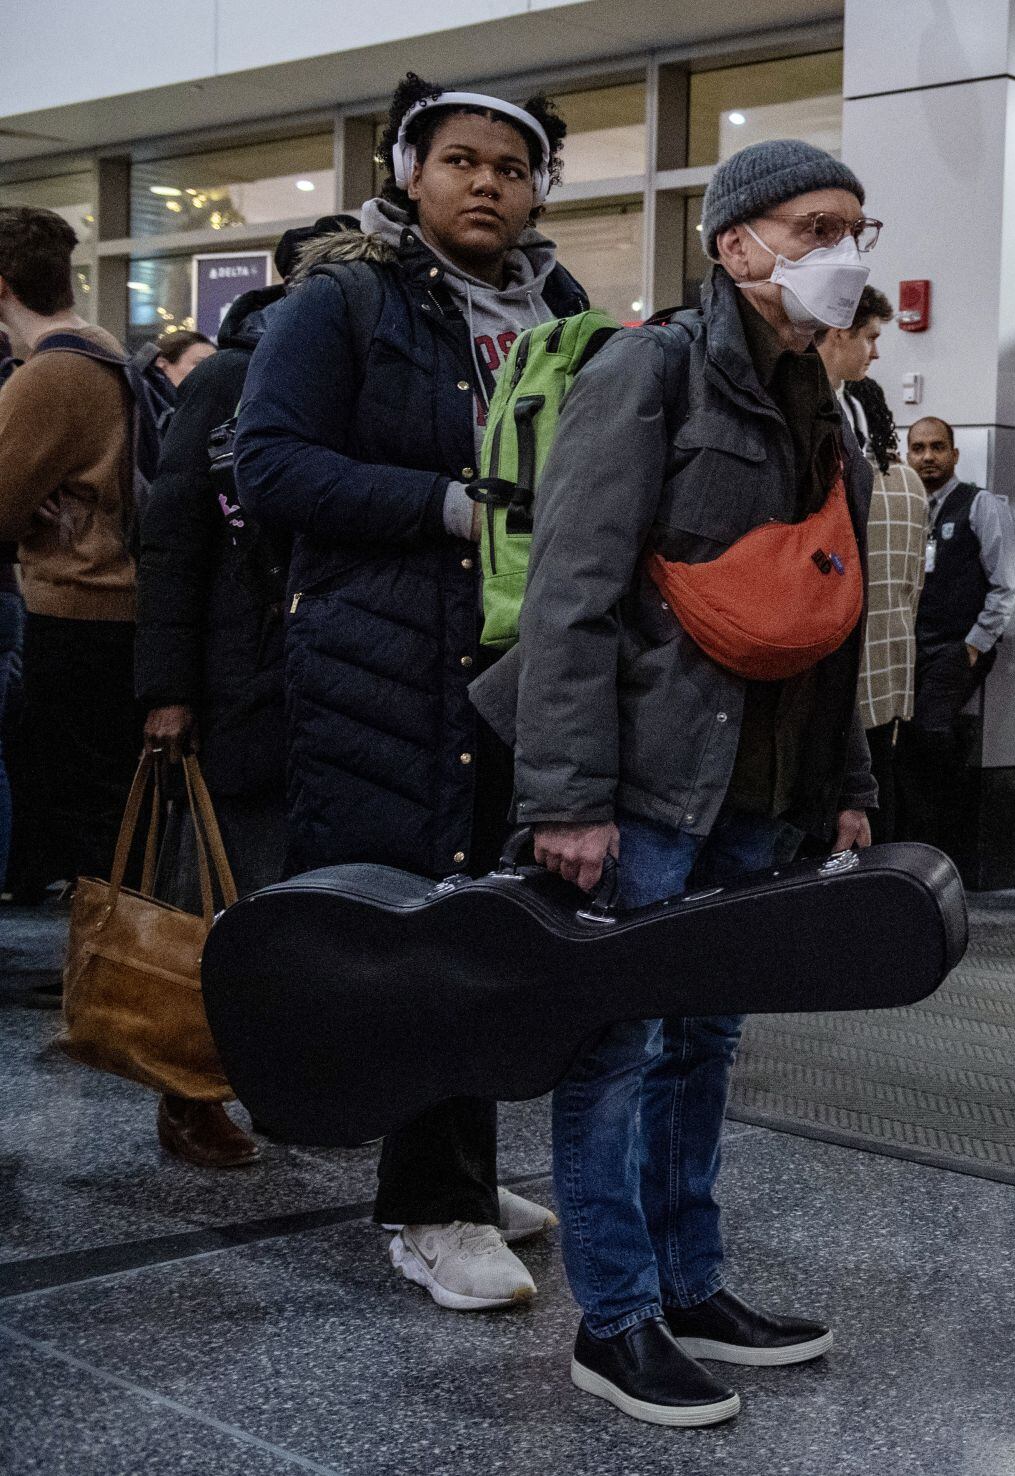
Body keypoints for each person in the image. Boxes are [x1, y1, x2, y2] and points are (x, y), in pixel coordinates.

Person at [474, 137, 879, 1427]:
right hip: (644, 782)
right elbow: (572, 597)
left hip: (758, 790)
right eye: (814, 227)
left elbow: (836, 609)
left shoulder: (826, 398)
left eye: (854, 229)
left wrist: (847, 780)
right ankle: (618, 1317)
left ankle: (692, 1284)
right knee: (617, 1049)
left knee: (704, 1043)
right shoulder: (646, 370)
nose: (841, 253)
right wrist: (565, 801)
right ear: (734, 244)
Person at [236, 75, 584, 1311]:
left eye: (513, 164)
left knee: (495, 927)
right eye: (460, 160)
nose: (487, 181)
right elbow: (267, 464)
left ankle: (460, 1173)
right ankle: (428, 1208)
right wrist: (441, 505)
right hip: (380, 665)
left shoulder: (562, 305)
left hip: (518, 668)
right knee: (417, 939)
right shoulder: (345, 300)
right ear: (409, 172)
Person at [130, 218, 357, 1168]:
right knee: (220, 901)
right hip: (239, 683)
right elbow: (174, 540)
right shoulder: (229, 376)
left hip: (337, 675)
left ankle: (291, 1087)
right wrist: (169, 690)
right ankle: (188, 1089)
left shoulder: (362, 382)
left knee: (317, 907)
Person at [0, 207, 141, 931]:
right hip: (113, 603)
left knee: (86, 802)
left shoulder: (49, 374)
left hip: (77, 605)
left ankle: (106, 973)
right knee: (102, 801)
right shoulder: (99, 348)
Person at [822, 289, 925, 841]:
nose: (877, 352)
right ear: (839, 332)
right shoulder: (903, 483)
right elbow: (913, 588)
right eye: (872, 337)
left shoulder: (835, 433)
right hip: (877, 679)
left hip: (837, 678)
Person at [897, 414, 1015, 867]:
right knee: (905, 738)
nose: (927, 457)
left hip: (957, 644)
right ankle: (914, 846)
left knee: (931, 731)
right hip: (909, 645)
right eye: (918, 448)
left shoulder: (980, 504)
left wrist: (975, 643)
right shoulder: (904, 507)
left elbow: (1007, 581)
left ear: (954, 453)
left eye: (936, 447)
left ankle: (946, 846)